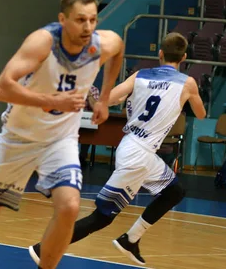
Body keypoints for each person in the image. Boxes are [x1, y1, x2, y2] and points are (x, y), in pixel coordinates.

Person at [0, 0, 124, 269]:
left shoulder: (102, 43)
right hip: (19, 137)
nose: (88, 27)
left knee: (70, 207)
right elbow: (0, 88)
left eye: (92, 20)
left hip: (60, 140)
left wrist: (103, 99)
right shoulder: (43, 42)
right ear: (63, 19)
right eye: (80, 20)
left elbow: (118, 50)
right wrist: (54, 101)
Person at [28, 32, 206, 267]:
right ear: (183, 57)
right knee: (100, 218)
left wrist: (92, 91)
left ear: (160, 53)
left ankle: (130, 240)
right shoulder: (188, 83)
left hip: (134, 146)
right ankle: (44, 249)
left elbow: (110, 99)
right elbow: (201, 114)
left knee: (175, 191)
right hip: (139, 155)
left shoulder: (140, 75)